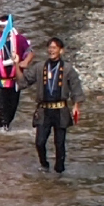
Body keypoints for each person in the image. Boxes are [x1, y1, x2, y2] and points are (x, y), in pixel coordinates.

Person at [32, 37, 82, 174]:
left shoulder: (68, 69)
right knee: (39, 142)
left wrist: (76, 105)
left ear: (61, 50)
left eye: (54, 48)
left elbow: (76, 88)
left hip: (61, 110)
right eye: (50, 47)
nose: (51, 50)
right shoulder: (39, 67)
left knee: (59, 144)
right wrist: (16, 63)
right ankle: (44, 164)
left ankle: (59, 170)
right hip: (44, 110)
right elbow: (23, 81)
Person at [0, 14, 30, 130]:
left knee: (13, 106)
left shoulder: (20, 40)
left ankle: (7, 125)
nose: (2, 30)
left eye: (4, 27)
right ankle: (4, 128)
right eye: (0, 27)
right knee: (1, 107)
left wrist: (26, 61)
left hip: (15, 81)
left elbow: (30, 52)